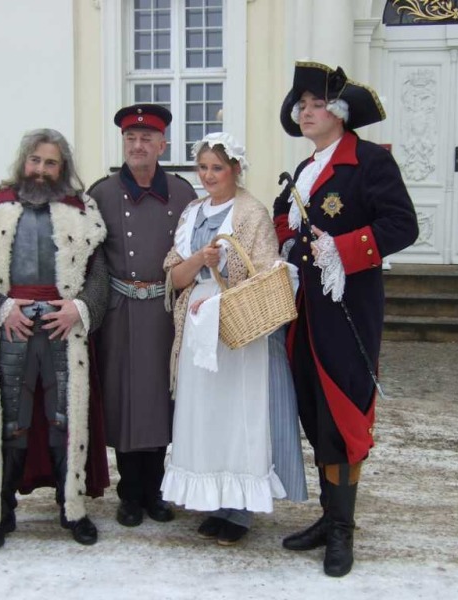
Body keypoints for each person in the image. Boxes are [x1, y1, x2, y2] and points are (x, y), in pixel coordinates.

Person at [274, 61, 419, 576]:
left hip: (347, 312)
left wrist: (342, 249)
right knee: (316, 415)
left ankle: (342, 532)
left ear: (338, 112)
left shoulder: (370, 162)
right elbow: (282, 216)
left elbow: (402, 225)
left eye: (316, 105)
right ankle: (327, 516)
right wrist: (286, 242)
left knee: (343, 417)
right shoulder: (305, 169)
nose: (306, 113)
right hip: (303, 315)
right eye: (301, 106)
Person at [0, 128, 110, 550]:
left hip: (64, 328)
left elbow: (98, 274)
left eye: (51, 163)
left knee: (65, 418)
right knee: (9, 419)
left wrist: (80, 308)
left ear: (63, 168)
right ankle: (0, 511)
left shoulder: (82, 212)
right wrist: (0, 309)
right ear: (23, 161)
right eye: (35, 160)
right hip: (10, 327)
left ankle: (72, 507)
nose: (41, 170)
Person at [161, 132, 307, 546]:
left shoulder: (250, 212)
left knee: (237, 415)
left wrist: (221, 288)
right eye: (203, 167)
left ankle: (240, 509)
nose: (208, 175)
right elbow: (174, 277)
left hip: (238, 325)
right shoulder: (192, 211)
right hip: (196, 324)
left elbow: (264, 272)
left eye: (217, 168)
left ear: (235, 169)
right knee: (205, 414)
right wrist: (199, 260)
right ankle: (215, 502)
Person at [89, 104, 196, 527]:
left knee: (160, 399)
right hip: (119, 312)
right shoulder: (101, 194)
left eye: (147, 138)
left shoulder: (183, 194)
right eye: (131, 138)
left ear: (162, 145)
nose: (138, 145)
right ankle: (129, 494)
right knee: (123, 400)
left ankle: (155, 491)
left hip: (165, 310)